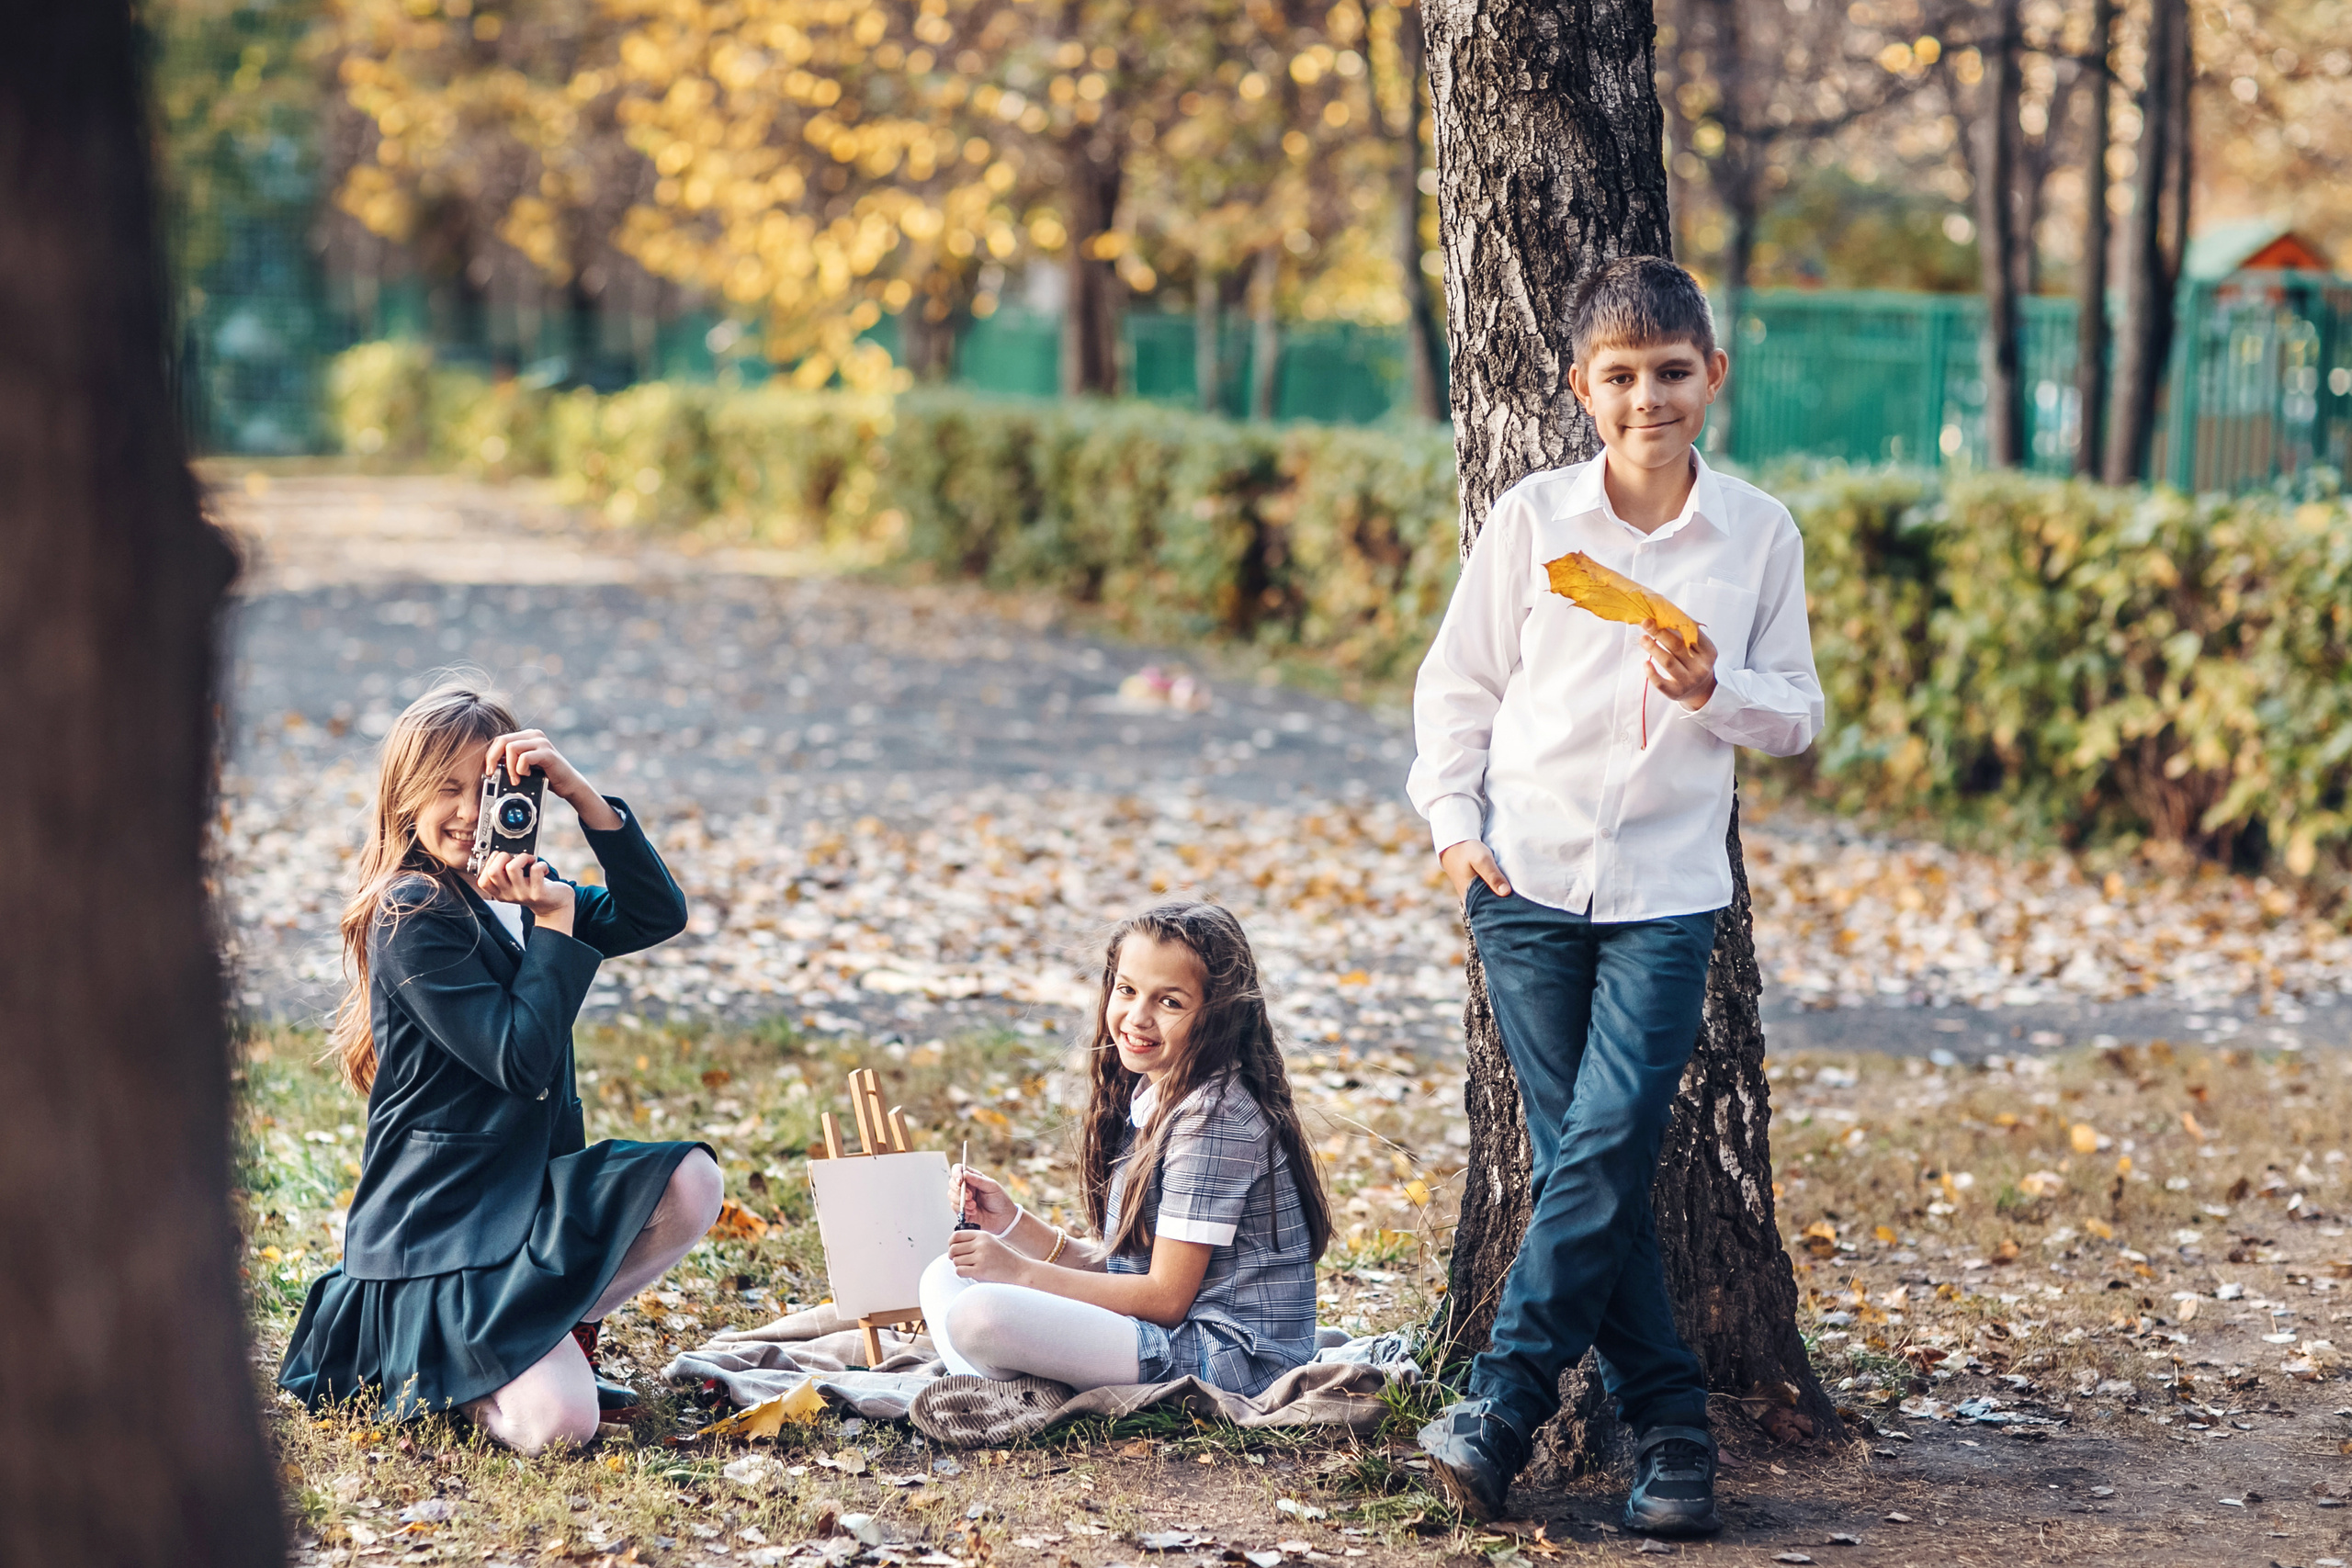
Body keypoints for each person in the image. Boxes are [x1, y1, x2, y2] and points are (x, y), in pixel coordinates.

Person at [1406, 256, 1824, 1534]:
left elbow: (1798, 714)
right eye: (1624, 375)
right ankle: (1675, 1440)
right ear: (1585, 387)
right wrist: (1452, 828)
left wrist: (1714, 693)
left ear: (1713, 377)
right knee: (1597, 1160)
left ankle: (1499, 1407)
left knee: (1602, 1146)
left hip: (1664, 893)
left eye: (1673, 372)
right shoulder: (1537, 520)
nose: (1651, 397)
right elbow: (1459, 684)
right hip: (1521, 878)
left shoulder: (1757, 534)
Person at [277, 683, 721, 1454]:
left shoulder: (511, 888)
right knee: (561, 1426)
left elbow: (657, 913)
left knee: (692, 1182)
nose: (465, 809)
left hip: (526, 1204)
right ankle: (441, 1374)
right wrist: (554, 920)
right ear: (405, 800)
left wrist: (583, 796)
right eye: (443, 788)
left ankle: (539, 1333)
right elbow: (518, 1059)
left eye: (486, 787)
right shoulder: (409, 911)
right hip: (443, 1230)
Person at [918, 901, 1332, 1396]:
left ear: (1219, 1017)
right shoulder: (1157, 1096)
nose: (1138, 1017)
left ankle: (1019, 1388)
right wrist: (1010, 1225)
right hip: (1168, 1333)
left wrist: (1020, 1274)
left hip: (1225, 1357)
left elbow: (1164, 1298)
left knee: (980, 1316)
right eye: (1128, 990)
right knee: (945, 1277)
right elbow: (1123, 1272)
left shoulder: (1214, 1119)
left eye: (1170, 1002)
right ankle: (1018, 1383)